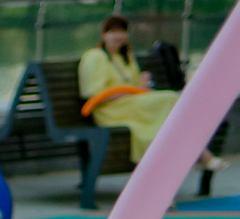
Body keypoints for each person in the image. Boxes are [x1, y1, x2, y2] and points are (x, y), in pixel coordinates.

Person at [79, 15, 221, 194]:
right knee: (170, 99)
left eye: (122, 31)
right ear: (104, 34)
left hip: (133, 105)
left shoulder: (125, 56)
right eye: (113, 32)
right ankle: (202, 155)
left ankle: (164, 186)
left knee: (166, 124)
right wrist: (131, 91)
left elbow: (137, 87)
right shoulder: (95, 57)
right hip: (111, 109)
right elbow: (93, 93)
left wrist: (142, 84)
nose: (118, 36)